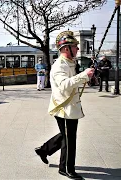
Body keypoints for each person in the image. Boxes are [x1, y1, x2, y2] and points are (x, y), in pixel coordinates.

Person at [34, 31, 94, 180]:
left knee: (67, 135)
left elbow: (75, 78)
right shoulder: (59, 66)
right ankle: (67, 169)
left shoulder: (71, 63)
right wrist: (84, 75)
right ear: (66, 48)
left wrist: (87, 74)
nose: (77, 49)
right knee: (69, 139)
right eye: (75, 46)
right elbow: (64, 85)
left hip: (69, 107)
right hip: (64, 109)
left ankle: (44, 150)